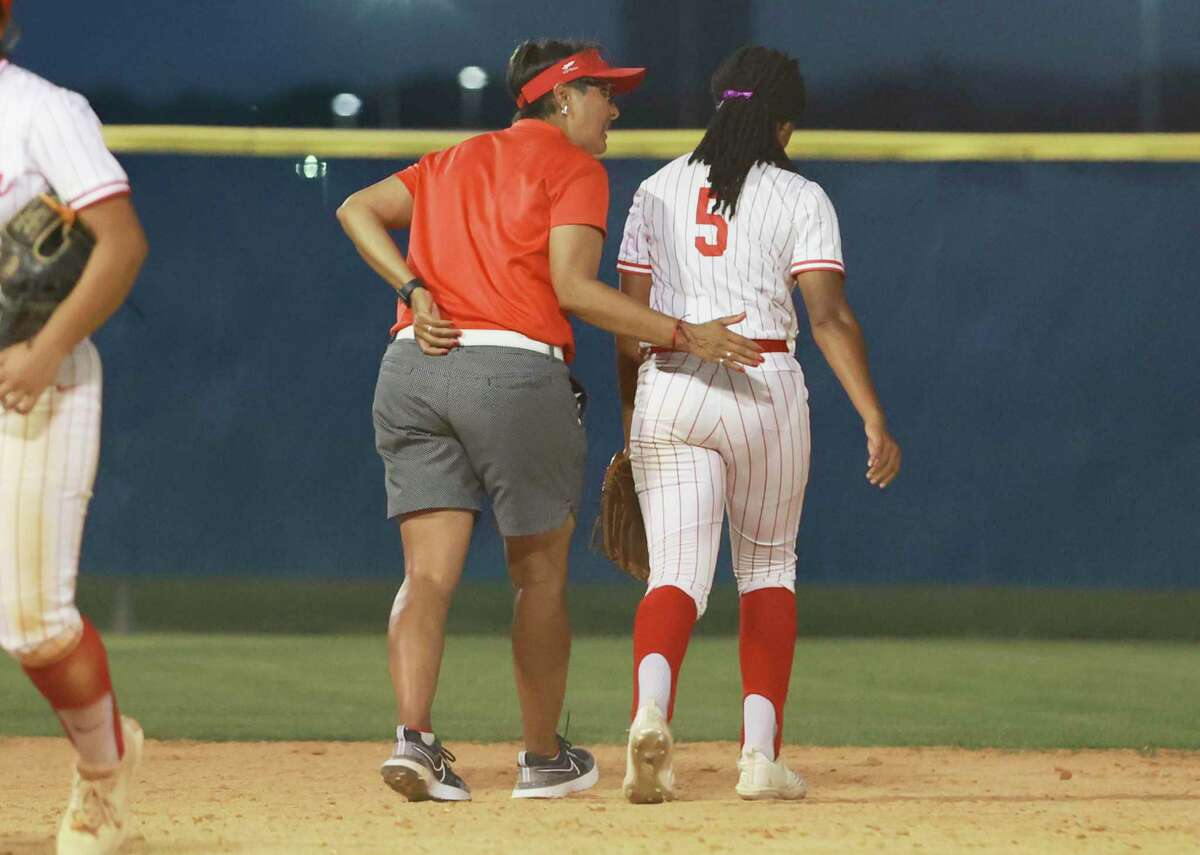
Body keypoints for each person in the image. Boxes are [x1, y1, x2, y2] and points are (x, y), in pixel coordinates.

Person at [337, 37, 763, 803]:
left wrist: (412, 288)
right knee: (538, 575)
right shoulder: (573, 168)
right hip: (512, 373)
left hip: (412, 368)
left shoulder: (451, 160)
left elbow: (355, 208)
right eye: (603, 92)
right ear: (562, 98)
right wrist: (681, 333)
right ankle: (541, 758)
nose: (614, 108)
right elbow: (572, 288)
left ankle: (414, 742)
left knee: (425, 574)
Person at [614, 45, 902, 804]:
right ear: (785, 124)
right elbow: (829, 317)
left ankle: (650, 712)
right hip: (765, 382)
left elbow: (628, 326)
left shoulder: (655, 189)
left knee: (676, 576)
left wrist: (632, 424)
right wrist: (873, 415)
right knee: (768, 569)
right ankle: (759, 759)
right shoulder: (800, 196)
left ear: (718, 104)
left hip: (671, 383)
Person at [0, 2, 150, 852]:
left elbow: (120, 244)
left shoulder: (42, 110)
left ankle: (103, 770)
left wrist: (48, 346)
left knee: (33, 620)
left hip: (32, 380)